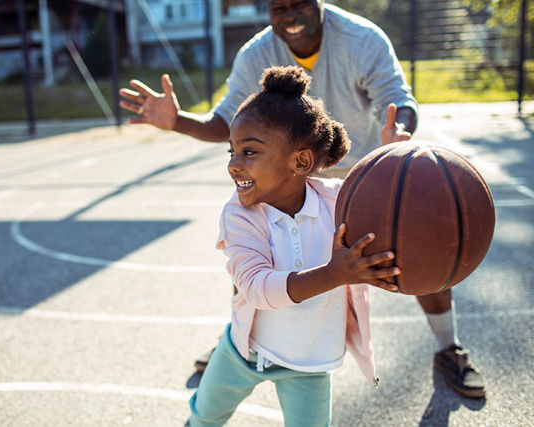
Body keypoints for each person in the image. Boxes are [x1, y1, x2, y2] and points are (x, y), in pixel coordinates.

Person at [118, 0, 486, 398]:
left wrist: (398, 133)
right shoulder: (256, 54)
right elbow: (224, 120)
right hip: (282, 177)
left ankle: (448, 347)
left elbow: (397, 98)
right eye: (278, 8)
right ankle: (239, 341)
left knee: (416, 243)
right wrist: (178, 120)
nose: (289, 16)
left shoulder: (361, 39)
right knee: (255, 255)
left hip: (360, 175)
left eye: (298, 5)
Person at [189, 65, 398, 426]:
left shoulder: (338, 203)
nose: (234, 165)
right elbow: (256, 288)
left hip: (308, 362)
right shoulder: (240, 215)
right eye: (232, 152)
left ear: (300, 161)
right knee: (205, 416)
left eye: (249, 152)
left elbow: (386, 210)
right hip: (245, 351)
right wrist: (334, 274)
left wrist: (395, 164)